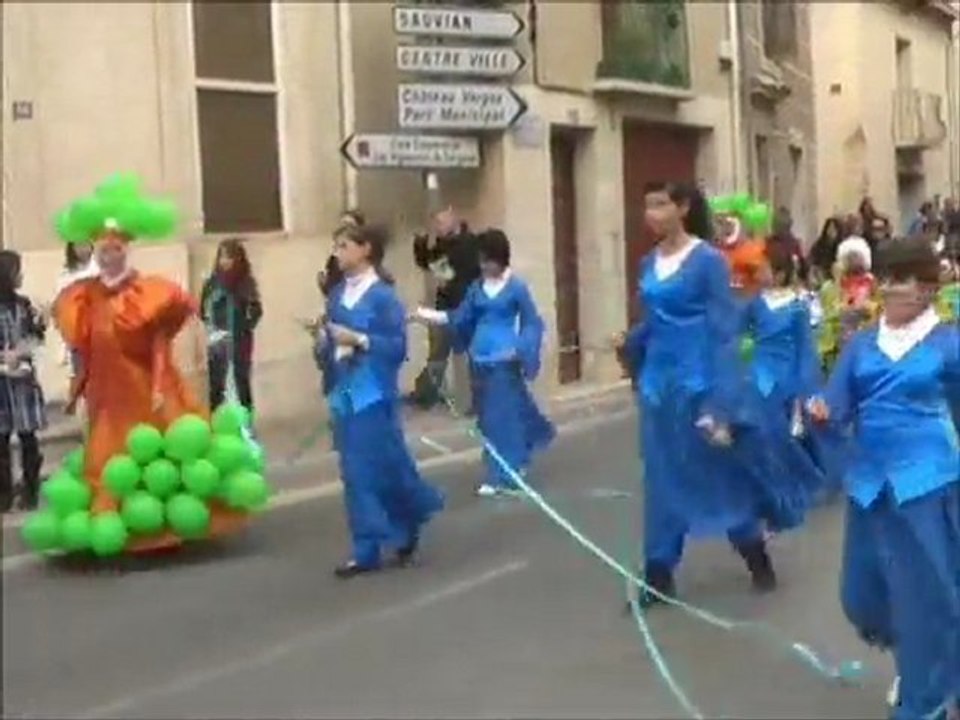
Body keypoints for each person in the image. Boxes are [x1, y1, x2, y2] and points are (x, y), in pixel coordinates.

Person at [617, 181, 795, 607]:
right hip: (659, 388)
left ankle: (754, 551)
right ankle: (659, 572)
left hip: (699, 383)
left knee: (718, 475)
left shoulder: (708, 262)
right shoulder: (648, 263)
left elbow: (723, 333)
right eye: (647, 205)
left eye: (660, 204)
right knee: (661, 479)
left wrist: (721, 405)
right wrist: (630, 343)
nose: (652, 214)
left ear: (682, 208)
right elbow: (654, 321)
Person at [53, 175, 248, 553]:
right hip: (106, 390)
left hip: (142, 385)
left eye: (114, 250)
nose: (107, 256)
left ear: (124, 251)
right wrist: (79, 385)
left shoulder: (147, 291)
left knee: (149, 441)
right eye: (102, 251)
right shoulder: (86, 295)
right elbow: (87, 344)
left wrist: (160, 384)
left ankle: (164, 517)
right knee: (106, 449)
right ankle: (112, 513)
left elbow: (160, 340)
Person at [808, 236, 960, 720]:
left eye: (905, 280)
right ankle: (931, 659)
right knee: (863, 597)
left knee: (925, 600)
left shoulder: (949, 344)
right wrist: (820, 412)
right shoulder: (862, 344)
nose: (894, 290)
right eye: (887, 279)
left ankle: (923, 699)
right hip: (869, 486)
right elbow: (835, 404)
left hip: (928, 485)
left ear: (929, 287)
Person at [315, 222, 444, 578]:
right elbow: (331, 342)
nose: (337, 253)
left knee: (381, 463)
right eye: (336, 246)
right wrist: (325, 343)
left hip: (374, 392)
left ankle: (405, 521)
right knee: (354, 470)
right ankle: (366, 547)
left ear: (364, 249)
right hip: (345, 389)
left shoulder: (384, 297)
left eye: (344, 246)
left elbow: (396, 347)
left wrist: (359, 339)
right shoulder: (338, 294)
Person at [414, 230, 555, 497]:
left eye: (488, 260)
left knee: (505, 416)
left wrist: (523, 348)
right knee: (487, 419)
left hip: (505, 359)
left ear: (500, 258)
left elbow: (532, 322)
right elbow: (460, 317)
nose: (483, 265)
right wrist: (426, 315)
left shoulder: (516, 287)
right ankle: (498, 468)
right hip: (479, 358)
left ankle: (508, 473)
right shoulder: (476, 289)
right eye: (481, 260)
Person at [409, 206, 480, 410]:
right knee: (438, 350)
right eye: (436, 223)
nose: (437, 228)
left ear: (453, 220)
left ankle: (476, 398)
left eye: (441, 222)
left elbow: (466, 272)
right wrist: (420, 245)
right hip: (445, 305)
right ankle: (427, 393)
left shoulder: (469, 243)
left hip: (464, 305)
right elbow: (428, 263)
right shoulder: (443, 245)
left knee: (470, 354)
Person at [0, 251, 47, 513]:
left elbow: (37, 338)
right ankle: (4, 495)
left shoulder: (24, 305)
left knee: (29, 439)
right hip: (1, 383)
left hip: (23, 382)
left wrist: (21, 351)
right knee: (1, 442)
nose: (21, 276)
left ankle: (30, 491)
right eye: (17, 270)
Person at [200, 238, 262, 415]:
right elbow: (202, 310)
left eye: (229, 257)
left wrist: (244, 327)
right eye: (221, 257)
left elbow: (256, 311)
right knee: (216, 384)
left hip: (240, 340)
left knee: (241, 380)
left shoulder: (245, 283)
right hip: (217, 340)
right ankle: (216, 423)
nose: (224, 261)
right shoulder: (212, 284)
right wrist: (214, 329)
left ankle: (245, 421)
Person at [809, 217, 844, 283]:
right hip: (820, 276)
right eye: (829, 228)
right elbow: (813, 260)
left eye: (834, 228)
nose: (831, 231)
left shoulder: (841, 246)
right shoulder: (819, 244)